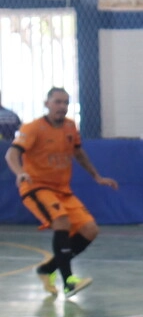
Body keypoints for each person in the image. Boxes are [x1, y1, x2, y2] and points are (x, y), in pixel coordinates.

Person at [5, 87, 118, 297]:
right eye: (57, 102)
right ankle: (68, 282)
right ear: (47, 103)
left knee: (90, 230)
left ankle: (47, 270)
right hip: (36, 187)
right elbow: (12, 154)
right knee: (61, 221)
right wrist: (20, 173)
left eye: (66, 103)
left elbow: (78, 152)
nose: (62, 107)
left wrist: (97, 176)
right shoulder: (33, 128)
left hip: (62, 191)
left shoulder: (70, 127)